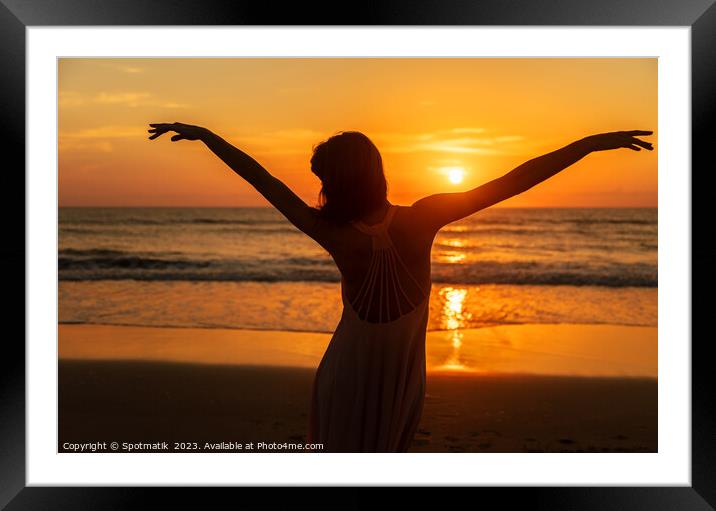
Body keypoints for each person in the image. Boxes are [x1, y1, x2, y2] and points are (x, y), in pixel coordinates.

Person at [148, 122, 653, 452]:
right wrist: (587, 146)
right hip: (400, 374)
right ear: (376, 172)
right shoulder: (423, 218)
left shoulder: (331, 232)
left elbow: (262, 180)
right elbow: (511, 182)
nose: (317, 185)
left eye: (321, 175)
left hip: (345, 372)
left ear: (336, 182)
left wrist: (208, 137)